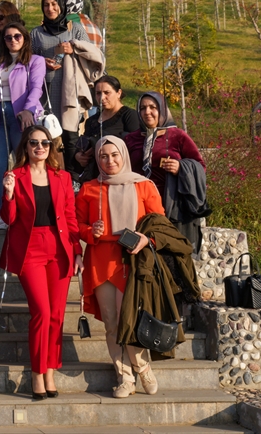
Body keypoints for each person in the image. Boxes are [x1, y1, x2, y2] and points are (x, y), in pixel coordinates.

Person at [76, 136, 164, 398]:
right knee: (112, 322)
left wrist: (146, 239)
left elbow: (160, 225)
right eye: (104, 156)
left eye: (114, 155)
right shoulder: (89, 188)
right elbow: (76, 225)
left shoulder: (144, 186)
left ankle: (142, 367)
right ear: (98, 159)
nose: (110, 160)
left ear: (123, 155)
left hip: (133, 260)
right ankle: (124, 377)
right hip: (101, 260)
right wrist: (91, 231)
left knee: (132, 319)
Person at [0, 126, 80, 400]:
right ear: (26, 146)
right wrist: (8, 194)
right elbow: (9, 220)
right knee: (42, 312)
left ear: (51, 147)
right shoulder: (16, 177)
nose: (40, 147)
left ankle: (50, 372)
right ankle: (36, 373)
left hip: (59, 248)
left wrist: (77, 250)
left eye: (45, 142)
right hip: (30, 247)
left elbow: (70, 217)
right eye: (34, 142)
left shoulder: (63, 177)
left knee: (57, 315)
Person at [123, 92, 207, 246]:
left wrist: (181, 168)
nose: (147, 112)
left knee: (170, 251)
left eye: (152, 107)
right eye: (142, 108)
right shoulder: (131, 139)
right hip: (138, 206)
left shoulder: (177, 136)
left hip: (171, 206)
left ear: (162, 109)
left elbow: (200, 166)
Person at [0, 21, 46, 220]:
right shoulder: (0, 63)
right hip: (0, 116)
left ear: (25, 38)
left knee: (24, 163)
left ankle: (25, 209)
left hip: (22, 116)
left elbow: (37, 88)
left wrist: (28, 110)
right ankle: (0, 212)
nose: (12, 40)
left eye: (17, 36)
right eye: (8, 37)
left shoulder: (35, 61)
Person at [30, 0, 96, 163]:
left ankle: (72, 178)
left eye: (54, 4)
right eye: (46, 5)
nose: (50, 8)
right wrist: (40, 61)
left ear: (62, 6)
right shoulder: (36, 33)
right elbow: (26, 60)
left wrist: (73, 49)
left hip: (70, 91)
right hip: (47, 93)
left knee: (70, 136)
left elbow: (91, 53)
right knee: (48, 136)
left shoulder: (75, 29)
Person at [71, 75, 142, 182]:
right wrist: (79, 156)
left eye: (107, 93)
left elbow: (135, 147)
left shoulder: (129, 116)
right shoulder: (91, 121)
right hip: (94, 178)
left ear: (119, 93)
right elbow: (83, 144)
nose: (102, 97)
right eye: (98, 93)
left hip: (119, 178)